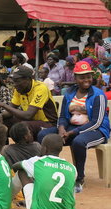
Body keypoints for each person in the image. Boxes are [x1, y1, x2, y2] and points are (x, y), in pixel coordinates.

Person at [37, 61, 110, 193]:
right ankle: (46, 171)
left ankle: (79, 178)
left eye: (88, 76)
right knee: (44, 135)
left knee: (78, 142)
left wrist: (72, 133)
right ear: (75, 78)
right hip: (71, 128)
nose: (86, 80)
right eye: (82, 77)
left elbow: (96, 122)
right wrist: (61, 129)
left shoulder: (98, 95)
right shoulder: (69, 93)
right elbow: (63, 116)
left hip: (97, 131)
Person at [12, 134, 80, 209]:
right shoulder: (72, 168)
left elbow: (16, 166)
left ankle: (6, 200)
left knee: (22, 171)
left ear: (44, 148)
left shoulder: (37, 161)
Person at [0, 66, 58, 141]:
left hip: (48, 123)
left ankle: (29, 150)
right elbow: (10, 110)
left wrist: (2, 104)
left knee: (23, 126)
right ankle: (1, 150)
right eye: (14, 81)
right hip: (32, 121)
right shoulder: (19, 89)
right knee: (4, 121)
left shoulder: (40, 88)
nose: (15, 84)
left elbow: (28, 115)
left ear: (28, 79)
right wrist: (0, 116)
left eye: (17, 81)